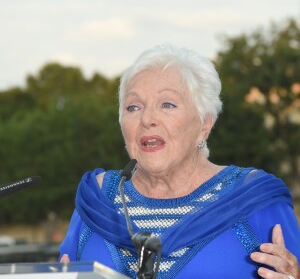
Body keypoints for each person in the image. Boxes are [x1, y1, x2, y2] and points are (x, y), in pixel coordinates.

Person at [60, 44, 300, 278]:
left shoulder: (255, 199)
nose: (147, 119)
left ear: (204, 123)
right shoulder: (96, 201)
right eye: (133, 107)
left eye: (167, 104)